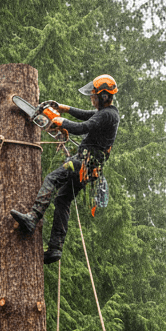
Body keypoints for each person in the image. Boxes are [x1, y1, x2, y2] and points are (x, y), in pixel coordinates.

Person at [11, 74, 120, 264]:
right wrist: (63, 108)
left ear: (103, 96)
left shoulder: (108, 114)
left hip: (83, 163)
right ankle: (55, 248)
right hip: (89, 168)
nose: (92, 99)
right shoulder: (106, 113)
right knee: (63, 199)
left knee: (52, 179)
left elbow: (82, 127)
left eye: (94, 96)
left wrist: (59, 120)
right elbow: (85, 115)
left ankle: (33, 217)